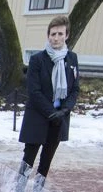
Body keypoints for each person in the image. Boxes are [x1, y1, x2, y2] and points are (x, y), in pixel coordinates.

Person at [18, 15, 80, 179]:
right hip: (38, 116)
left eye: (60, 34)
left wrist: (65, 109)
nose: (56, 38)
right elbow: (34, 91)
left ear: (66, 35)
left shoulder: (72, 58)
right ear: (48, 36)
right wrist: (51, 112)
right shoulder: (37, 59)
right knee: (28, 160)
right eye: (53, 34)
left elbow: (74, 89)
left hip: (59, 119)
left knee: (46, 162)